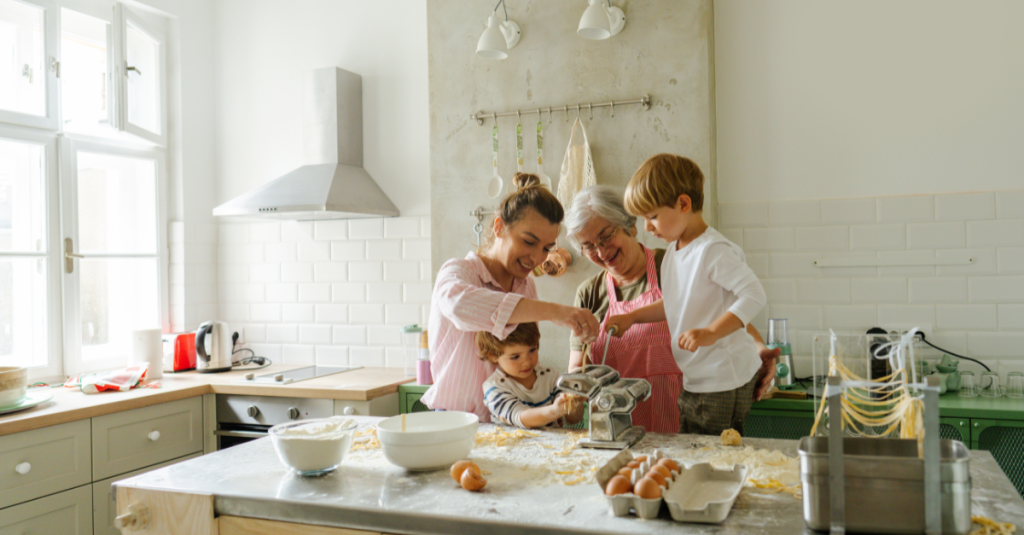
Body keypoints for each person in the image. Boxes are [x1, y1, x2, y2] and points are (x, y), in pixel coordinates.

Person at [566, 186, 778, 435]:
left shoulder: (677, 265)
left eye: (606, 236)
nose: (601, 251)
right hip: (621, 433)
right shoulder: (588, 293)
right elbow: (579, 367)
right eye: (588, 246)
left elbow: (734, 319)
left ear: (630, 226)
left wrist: (759, 350)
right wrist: (571, 400)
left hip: (690, 420)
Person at [609, 154, 767, 436]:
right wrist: (632, 317)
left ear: (684, 204)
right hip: (700, 377)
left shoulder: (712, 251)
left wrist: (711, 333)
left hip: (722, 378)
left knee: (712, 456)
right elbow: (674, 304)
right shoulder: (674, 251)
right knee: (696, 450)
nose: (647, 228)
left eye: (653, 217)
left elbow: (754, 294)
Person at [422, 173, 601, 422]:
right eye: (529, 241)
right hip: (453, 423)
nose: (538, 258)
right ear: (499, 227)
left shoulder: (526, 287)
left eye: (547, 248)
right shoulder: (458, 273)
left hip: (508, 427)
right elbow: (461, 307)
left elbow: (524, 364)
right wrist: (557, 312)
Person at [476, 323, 585, 428]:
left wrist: (575, 402)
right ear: (492, 355)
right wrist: (555, 410)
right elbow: (521, 417)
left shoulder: (551, 377)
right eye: (515, 357)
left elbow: (573, 420)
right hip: (510, 446)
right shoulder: (494, 387)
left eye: (532, 350)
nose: (527, 362)